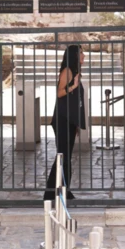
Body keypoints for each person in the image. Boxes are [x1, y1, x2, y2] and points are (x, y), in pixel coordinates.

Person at [43, 45, 86, 201]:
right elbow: (59, 92)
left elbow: (75, 101)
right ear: (74, 55)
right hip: (62, 120)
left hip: (69, 120)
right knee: (63, 157)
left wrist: (76, 123)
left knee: (65, 157)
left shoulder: (75, 72)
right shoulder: (67, 71)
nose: (84, 56)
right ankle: (52, 193)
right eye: (81, 53)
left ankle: (62, 190)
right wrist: (73, 86)